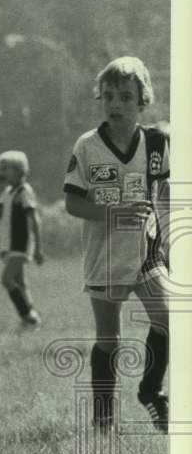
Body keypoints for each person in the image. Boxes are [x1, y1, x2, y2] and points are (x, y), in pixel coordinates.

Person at [63, 56, 169, 433]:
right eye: (108, 96)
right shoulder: (88, 146)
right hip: (105, 255)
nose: (116, 104)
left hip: (146, 252)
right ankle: (104, 417)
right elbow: (72, 202)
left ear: (143, 100)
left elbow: (167, 195)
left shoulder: (156, 143)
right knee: (109, 338)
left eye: (126, 97)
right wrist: (115, 212)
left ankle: (151, 393)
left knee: (169, 319)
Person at [0, 150, 44, 330]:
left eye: (7, 169)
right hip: (8, 244)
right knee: (20, 283)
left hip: (20, 244)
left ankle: (28, 316)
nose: (3, 173)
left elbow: (34, 218)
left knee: (6, 279)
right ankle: (31, 317)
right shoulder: (6, 192)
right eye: (2, 169)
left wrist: (37, 247)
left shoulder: (24, 191)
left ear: (20, 171)